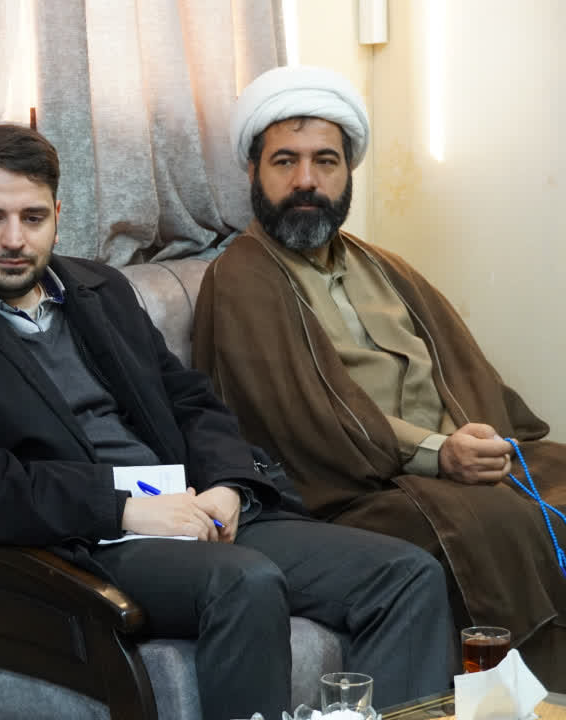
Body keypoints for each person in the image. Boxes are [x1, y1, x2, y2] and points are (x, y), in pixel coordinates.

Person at [0, 123, 454, 719]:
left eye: (33, 218)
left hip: (189, 511)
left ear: (57, 217)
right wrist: (123, 508)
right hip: (82, 544)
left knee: (406, 575)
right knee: (244, 581)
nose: (14, 239)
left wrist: (229, 484)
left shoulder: (99, 289)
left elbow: (190, 401)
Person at [192, 64, 566, 687]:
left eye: (325, 161)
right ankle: (523, 697)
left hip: (444, 466)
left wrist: (486, 440)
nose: (306, 180)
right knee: (494, 521)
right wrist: (443, 454)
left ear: (348, 173)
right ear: (253, 172)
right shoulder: (241, 278)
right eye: (285, 161)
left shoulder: (382, 265)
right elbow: (301, 422)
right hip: (351, 494)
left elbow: (463, 372)